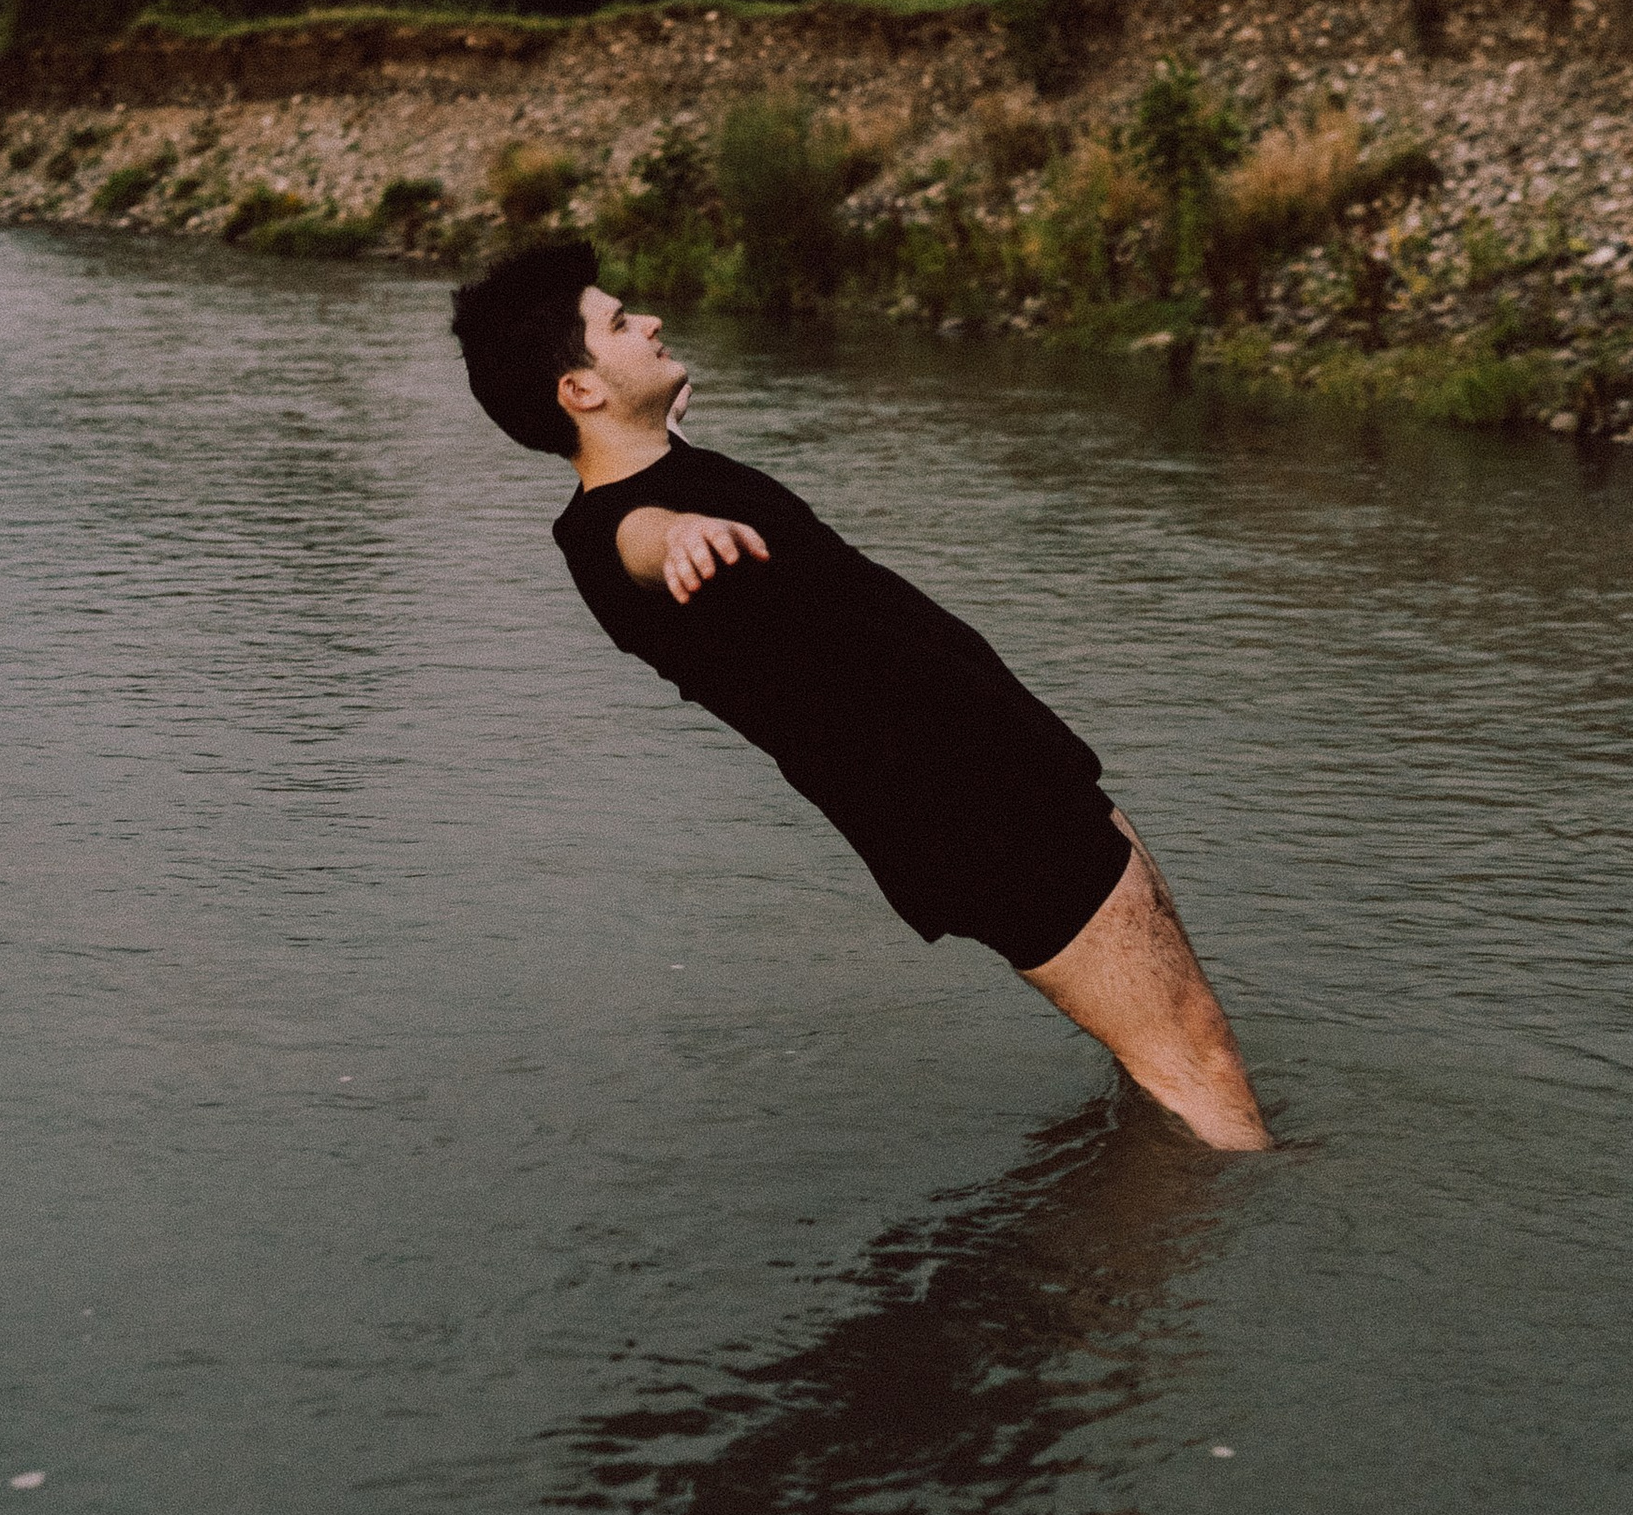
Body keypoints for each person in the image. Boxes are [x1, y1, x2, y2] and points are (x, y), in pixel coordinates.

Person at [449, 238, 1272, 1153]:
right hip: (972, 809)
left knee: (1165, 1050)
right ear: (580, 391)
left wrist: (666, 425)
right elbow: (639, 538)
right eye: (616, 323)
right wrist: (678, 535)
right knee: (1194, 1055)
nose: (648, 321)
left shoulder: (666, 461)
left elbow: (659, 467)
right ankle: (1247, 1250)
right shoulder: (619, 532)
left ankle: (1137, 1213)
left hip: (1008, 772)